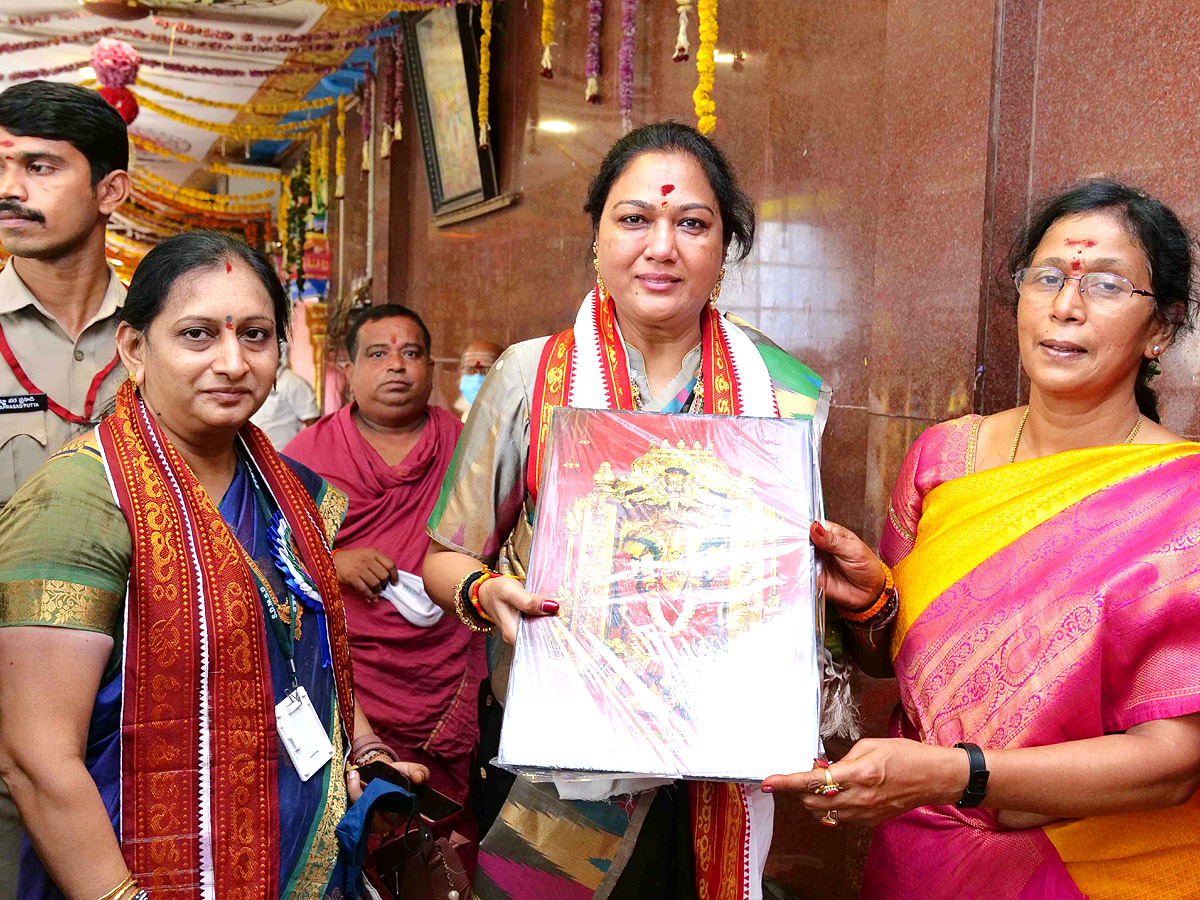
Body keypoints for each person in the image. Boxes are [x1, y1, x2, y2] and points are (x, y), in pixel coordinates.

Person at [422, 121, 839, 900]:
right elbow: (444, 554)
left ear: (725, 249)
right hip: (563, 765)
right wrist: (485, 594)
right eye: (634, 218)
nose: (662, 245)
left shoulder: (784, 394)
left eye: (691, 223)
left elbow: (796, 580)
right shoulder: (531, 377)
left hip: (724, 760)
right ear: (596, 237)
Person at [761, 180, 1200, 899]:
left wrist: (957, 774)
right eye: (1048, 277)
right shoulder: (944, 459)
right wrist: (872, 606)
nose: (1066, 306)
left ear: (1161, 329)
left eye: (1109, 285)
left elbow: (1175, 763)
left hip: (1093, 872)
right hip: (920, 861)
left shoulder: (1183, 500)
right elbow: (891, 663)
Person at [0, 231, 426, 900]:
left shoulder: (289, 489)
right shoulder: (80, 501)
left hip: (297, 850)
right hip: (132, 867)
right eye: (198, 335)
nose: (233, 362)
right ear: (135, 349)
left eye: (255, 336)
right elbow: (34, 759)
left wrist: (365, 749)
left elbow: (298, 651)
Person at [285, 304, 483, 872]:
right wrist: (333, 559)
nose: (396, 367)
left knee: (446, 834)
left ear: (432, 367)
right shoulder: (304, 459)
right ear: (347, 368)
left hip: (446, 671)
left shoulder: (472, 447)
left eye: (411, 353)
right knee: (354, 826)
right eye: (378, 353)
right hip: (350, 677)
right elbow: (261, 559)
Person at [0, 80, 132, 900]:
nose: (9, 188)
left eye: (39, 166)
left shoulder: (177, 336)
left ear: (111, 190)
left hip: (149, 736)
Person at [250, 343, 320, 447]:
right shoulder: (251, 381)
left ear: (279, 352)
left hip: (283, 457)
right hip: (253, 456)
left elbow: (314, 424)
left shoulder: (293, 383)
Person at [452, 339, 503, 422]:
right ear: (460, 374)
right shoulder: (457, 424)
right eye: (471, 370)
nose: (477, 377)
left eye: (487, 371)